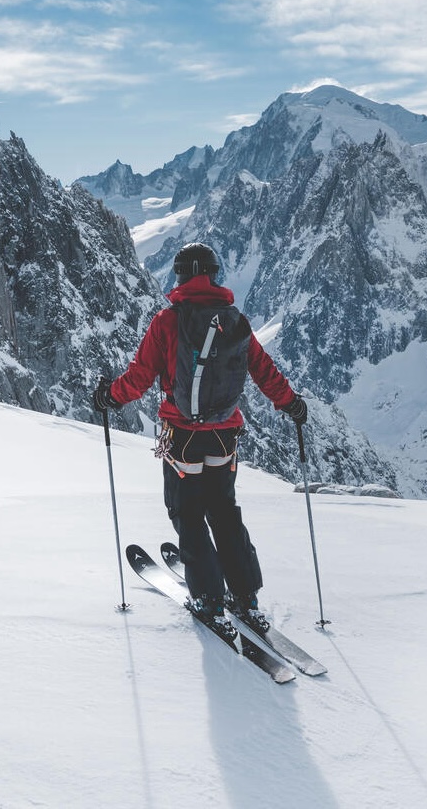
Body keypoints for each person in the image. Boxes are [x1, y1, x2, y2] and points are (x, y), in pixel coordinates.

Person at [93, 241, 307, 637]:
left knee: (188, 513)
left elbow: (140, 377)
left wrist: (109, 397)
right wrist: (291, 404)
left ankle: (209, 597)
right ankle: (245, 595)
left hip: (182, 438)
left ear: (180, 276)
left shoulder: (167, 322)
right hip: (225, 436)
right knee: (224, 511)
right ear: (213, 274)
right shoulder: (235, 321)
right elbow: (264, 371)